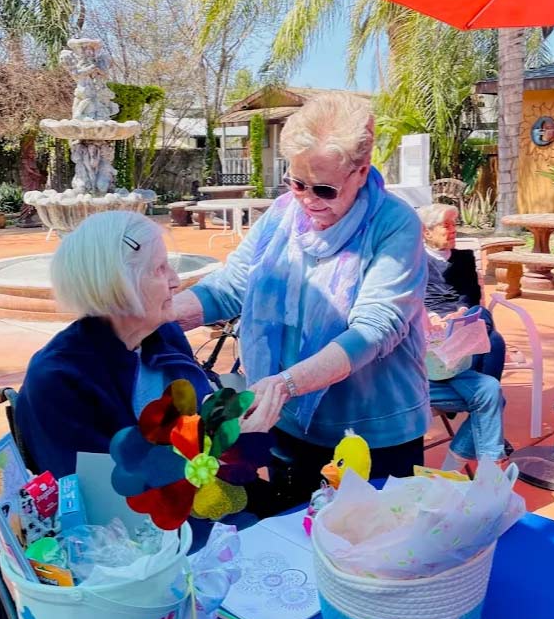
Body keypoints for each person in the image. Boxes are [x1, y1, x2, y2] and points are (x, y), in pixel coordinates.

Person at [174, 92, 431, 511]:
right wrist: (159, 318)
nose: (308, 199)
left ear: (361, 172)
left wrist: (285, 383)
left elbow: (375, 328)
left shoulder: (394, 224)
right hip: (290, 424)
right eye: (296, 183)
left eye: (325, 189)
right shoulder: (281, 215)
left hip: (374, 433)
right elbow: (234, 283)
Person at [15, 210, 265, 480]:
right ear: (119, 285)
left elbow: (198, 431)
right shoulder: (60, 379)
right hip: (136, 517)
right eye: (160, 269)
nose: (175, 281)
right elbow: (101, 497)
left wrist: (233, 428)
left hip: (200, 497)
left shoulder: (163, 335)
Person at [416, 203, 506, 380]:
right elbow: (414, 296)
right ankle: (482, 395)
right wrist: (432, 317)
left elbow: (471, 293)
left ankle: (460, 374)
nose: (453, 230)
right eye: (446, 225)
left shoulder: (465, 258)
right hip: (432, 325)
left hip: (463, 319)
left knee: (480, 312)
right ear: (427, 232)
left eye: (454, 224)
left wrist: (461, 312)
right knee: (494, 341)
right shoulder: (416, 260)